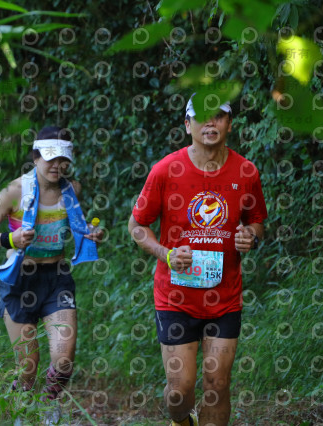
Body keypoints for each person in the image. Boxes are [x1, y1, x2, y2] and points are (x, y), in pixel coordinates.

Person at [128, 94, 268, 426]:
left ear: (229, 124)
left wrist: (251, 236)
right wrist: (165, 253)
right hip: (175, 297)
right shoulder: (165, 170)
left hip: (225, 297)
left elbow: (256, 221)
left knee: (217, 385)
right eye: (202, 117)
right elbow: (136, 226)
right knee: (180, 391)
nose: (210, 123)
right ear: (187, 124)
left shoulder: (246, 171)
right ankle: (181, 421)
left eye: (218, 116)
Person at [0, 126, 102, 409]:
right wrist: (10, 239)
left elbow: (77, 225)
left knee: (64, 360)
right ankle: (19, 409)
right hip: (19, 280)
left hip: (56, 278)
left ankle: (47, 408)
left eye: (63, 159)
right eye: (50, 158)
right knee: (28, 368)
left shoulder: (72, 190)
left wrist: (90, 234)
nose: (57, 165)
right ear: (35, 157)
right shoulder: (14, 191)